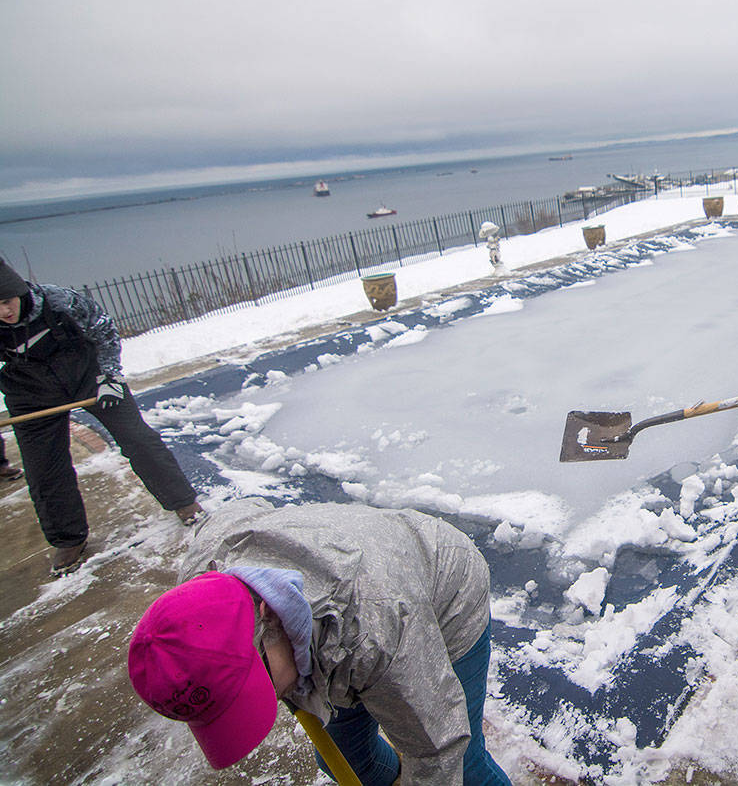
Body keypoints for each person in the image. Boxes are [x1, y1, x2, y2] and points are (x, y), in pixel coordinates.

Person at [128, 498, 512, 786]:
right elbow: (242, 508)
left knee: (463, 767)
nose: (276, 698)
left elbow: (437, 749)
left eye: (260, 685)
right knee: (342, 759)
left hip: (443, 585)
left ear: (267, 614)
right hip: (335, 613)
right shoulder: (198, 586)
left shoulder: (374, 626)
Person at [0, 259, 202, 576]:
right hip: (30, 394)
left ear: (19, 291)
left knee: (138, 439)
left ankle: (184, 502)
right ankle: (68, 539)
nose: (4, 313)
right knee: (43, 468)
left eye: (6, 302)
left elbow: (104, 328)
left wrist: (109, 375)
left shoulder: (57, 301)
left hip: (88, 376)